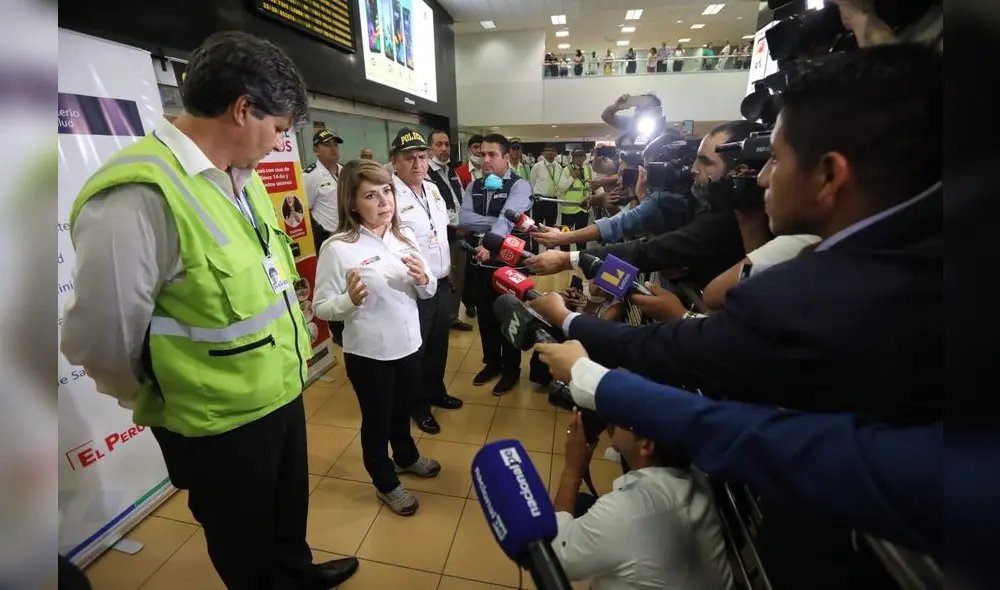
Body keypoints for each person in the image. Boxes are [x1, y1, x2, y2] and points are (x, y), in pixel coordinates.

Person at [59, 31, 358, 588]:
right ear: (243, 109)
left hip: (280, 392)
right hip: (216, 424)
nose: (278, 143)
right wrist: (167, 394)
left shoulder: (239, 179)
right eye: (277, 129)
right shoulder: (140, 196)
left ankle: (298, 573)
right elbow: (100, 338)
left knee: (287, 518)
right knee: (244, 543)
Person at [312, 159, 442, 516]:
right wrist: (347, 300)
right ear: (352, 203)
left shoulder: (405, 236)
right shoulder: (338, 247)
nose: (385, 201)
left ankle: (405, 456)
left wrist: (424, 280)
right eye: (371, 195)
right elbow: (321, 307)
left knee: (402, 410)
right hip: (369, 354)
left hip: (409, 344)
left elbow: (428, 291)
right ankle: (385, 481)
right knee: (377, 419)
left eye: (387, 191)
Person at [551, 411, 734, 589]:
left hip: (629, 524)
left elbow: (555, 557)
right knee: (582, 504)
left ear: (646, 444)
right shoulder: (697, 474)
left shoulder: (623, 512)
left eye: (625, 412)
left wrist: (572, 471)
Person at [389, 127, 464, 435]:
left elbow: (441, 232)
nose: (418, 164)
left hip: (441, 281)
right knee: (416, 350)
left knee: (438, 344)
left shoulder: (432, 188)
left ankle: (435, 391)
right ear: (395, 161)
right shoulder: (389, 195)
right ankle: (417, 406)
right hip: (413, 288)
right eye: (409, 158)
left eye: (422, 157)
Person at [459, 133, 533, 394]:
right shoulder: (474, 186)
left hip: (508, 264)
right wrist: (501, 219)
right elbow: (465, 218)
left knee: (509, 316)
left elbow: (508, 220)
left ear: (505, 157)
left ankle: (511, 369)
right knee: (486, 316)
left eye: (492, 155)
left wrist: (498, 228)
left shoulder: (519, 185)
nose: (485, 160)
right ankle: (492, 363)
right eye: (482, 154)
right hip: (479, 264)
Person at [426, 129, 474, 331]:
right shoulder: (427, 175)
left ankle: (452, 316)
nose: (444, 148)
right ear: (430, 149)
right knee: (443, 278)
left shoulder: (451, 172)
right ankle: (441, 319)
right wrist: (460, 223)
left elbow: (461, 199)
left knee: (459, 275)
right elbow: (434, 208)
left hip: (458, 233)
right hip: (441, 235)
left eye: (446, 144)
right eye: (439, 144)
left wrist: (466, 219)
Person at [303, 128, 343, 252]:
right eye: (327, 145)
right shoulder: (309, 176)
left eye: (335, 145)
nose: (333, 148)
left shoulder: (346, 171)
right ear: (316, 150)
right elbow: (305, 210)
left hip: (350, 234)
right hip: (327, 237)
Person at [554, 149, 592, 251]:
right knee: (565, 238)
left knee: (582, 238)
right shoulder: (567, 170)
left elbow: (590, 187)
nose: (580, 159)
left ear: (584, 157)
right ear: (573, 158)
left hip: (583, 209)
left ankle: (581, 259)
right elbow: (561, 188)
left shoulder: (588, 169)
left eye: (582, 156)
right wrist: (572, 178)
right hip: (568, 210)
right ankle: (565, 259)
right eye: (577, 156)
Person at [529, 143, 563, 229]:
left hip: (553, 200)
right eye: (548, 150)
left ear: (556, 153)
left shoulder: (559, 167)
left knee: (551, 226)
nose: (550, 153)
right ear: (543, 153)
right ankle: (535, 242)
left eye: (552, 150)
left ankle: (549, 243)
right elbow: (532, 183)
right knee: (536, 227)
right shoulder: (537, 166)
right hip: (539, 200)